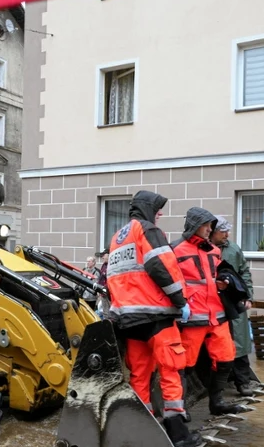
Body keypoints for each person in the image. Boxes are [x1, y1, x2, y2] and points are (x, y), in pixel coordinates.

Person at [106, 190, 201, 447]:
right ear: (147, 208)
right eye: (158, 209)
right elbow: (161, 266)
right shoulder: (148, 230)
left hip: (129, 320)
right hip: (156, 315)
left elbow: (112, 277)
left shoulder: (117, 237)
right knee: (171, 369)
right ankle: (178, 435)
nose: (160, 214)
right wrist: (180, 300)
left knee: (139, 375)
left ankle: (143, 432)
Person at [172, 207, 247, 417]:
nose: (209, 229)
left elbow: (216, 276)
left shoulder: (214, 250)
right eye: (205, 225)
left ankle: (217, 403)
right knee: (184, 364)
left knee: (226, 358)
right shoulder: (175, 249)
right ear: (194, 226)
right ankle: (179, 408)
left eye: (210, 226)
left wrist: (225, 283)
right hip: (192, 316)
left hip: (217, 314)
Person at [209, 216, 255, 397]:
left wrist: (248, 296)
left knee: (239, 342)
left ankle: (243, 382)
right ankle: (216, 385)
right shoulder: (204, 249)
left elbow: (244, 272)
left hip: (234, 301)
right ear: (213, 232)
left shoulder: (233, 249)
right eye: (223, 231)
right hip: (212, 303)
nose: (227, 234)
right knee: (217, 344)